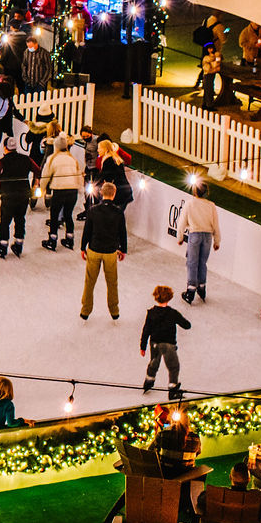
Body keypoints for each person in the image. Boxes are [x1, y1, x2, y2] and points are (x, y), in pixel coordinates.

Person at [79, 181, 129, 320]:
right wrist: (123, 250)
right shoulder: (118, 212)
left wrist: (83, 247)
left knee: (89, 282)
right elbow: (122, 233)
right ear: (113, 194)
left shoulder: (93, 210)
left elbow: (87, 230)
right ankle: (114, 311)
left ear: (101, 193)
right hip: (110, 252)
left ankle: (85, 310)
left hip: (94, 250)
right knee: (112, 282)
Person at [140, 284, 190, 399]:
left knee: (153, 363)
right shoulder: (172, 313)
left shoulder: (151, 313)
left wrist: (143, 346)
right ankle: (173, 389)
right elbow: (186, 325)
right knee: (173, 366)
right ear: (169, 297)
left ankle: (148, 381)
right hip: (168, 344)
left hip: (155, 344)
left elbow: (146, 330)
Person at [178, 178, 220, 304]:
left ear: (195, 191)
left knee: (192, 262)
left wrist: (180, 237)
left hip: (195, 234)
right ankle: (202, 287)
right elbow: (216, 224)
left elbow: (182, 222)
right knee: (202, 262)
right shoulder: (211, 205)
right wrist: (217, 240)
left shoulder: (190, 204)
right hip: (207, 237)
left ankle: (191, 290)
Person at [40, 136, 84, 251]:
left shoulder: (52, 158)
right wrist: (80, 188)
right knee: (68, 215)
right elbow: (78, 174)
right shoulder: (72, 159)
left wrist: (42, 188)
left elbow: (45, 175)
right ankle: (70, 239)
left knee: (54, 215)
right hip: (72, 191)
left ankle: (52, 239)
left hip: (60, 190)